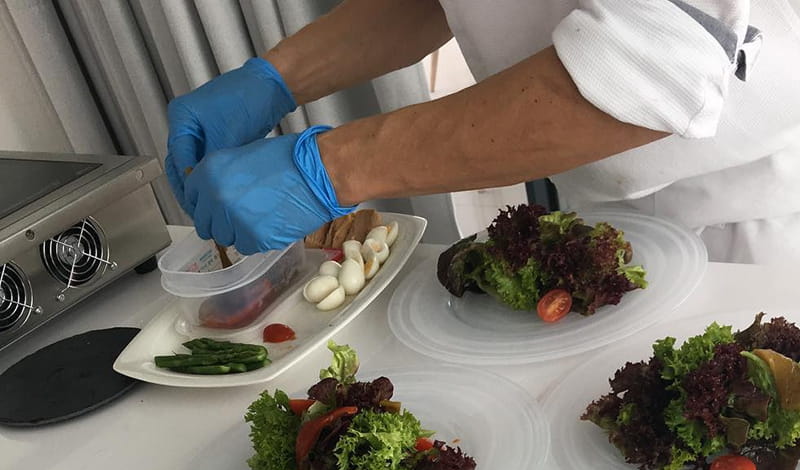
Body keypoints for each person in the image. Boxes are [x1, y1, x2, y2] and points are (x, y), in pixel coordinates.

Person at [165, 0, 800, 264]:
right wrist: (275, 78)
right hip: (605, 221)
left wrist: (334, 167)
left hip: (746, 238)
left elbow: (651, 68)